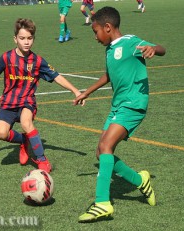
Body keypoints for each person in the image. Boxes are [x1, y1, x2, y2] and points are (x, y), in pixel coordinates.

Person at [73, 6, 166, 222]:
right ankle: (140, 180)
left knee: (106, 147)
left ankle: (102, 203)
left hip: (133, 104)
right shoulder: (109, 49)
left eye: (95, 32)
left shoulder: (131, 42)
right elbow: (107, 76)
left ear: (107, 27)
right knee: (100, 152)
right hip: (118, 106)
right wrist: (85, 93)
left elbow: (161, 49)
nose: (95, 37)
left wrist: (154, 50)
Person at [0, 18, 83, 173]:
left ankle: (41, 159)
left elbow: (56, 76)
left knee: (26, 123)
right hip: (8, 103)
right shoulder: (6, 57)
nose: (26, 42)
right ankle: (24, 140)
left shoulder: (38, 61)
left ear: (33, 39)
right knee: (1, 133)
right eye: (22, 38)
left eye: (29, 38)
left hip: (27, 101)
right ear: (15, 39)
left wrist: (76, 91)